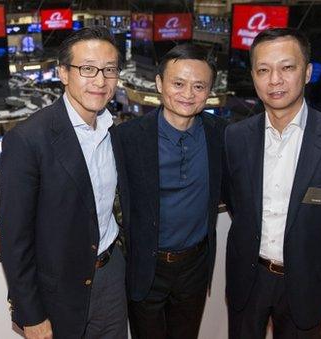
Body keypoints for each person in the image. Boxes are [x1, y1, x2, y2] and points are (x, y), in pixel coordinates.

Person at [224, 28, 321, 338]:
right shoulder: (235, 137)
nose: (275, 79)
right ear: (253, 76)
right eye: (263, 70)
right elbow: (235, 199)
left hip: (309, 279)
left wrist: (316, 244)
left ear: (307, 72)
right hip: (248, 276)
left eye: (287, 67)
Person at [0, 26, 129, 339]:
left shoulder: (116, 130)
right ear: (63, 73)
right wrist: (31, 315)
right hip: (59, 290)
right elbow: (15, 240)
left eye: (109, 70)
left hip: (111, 274)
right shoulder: (28, 139)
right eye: (87, 69)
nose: (100, 81)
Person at [118, 44, 228, 338]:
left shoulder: (222, 134)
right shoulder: (126, 138)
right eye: (178, 83)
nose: (188, 94)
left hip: (195, 266)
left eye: (199, 86)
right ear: (159, 84)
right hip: (146, 267)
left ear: (209, 91)